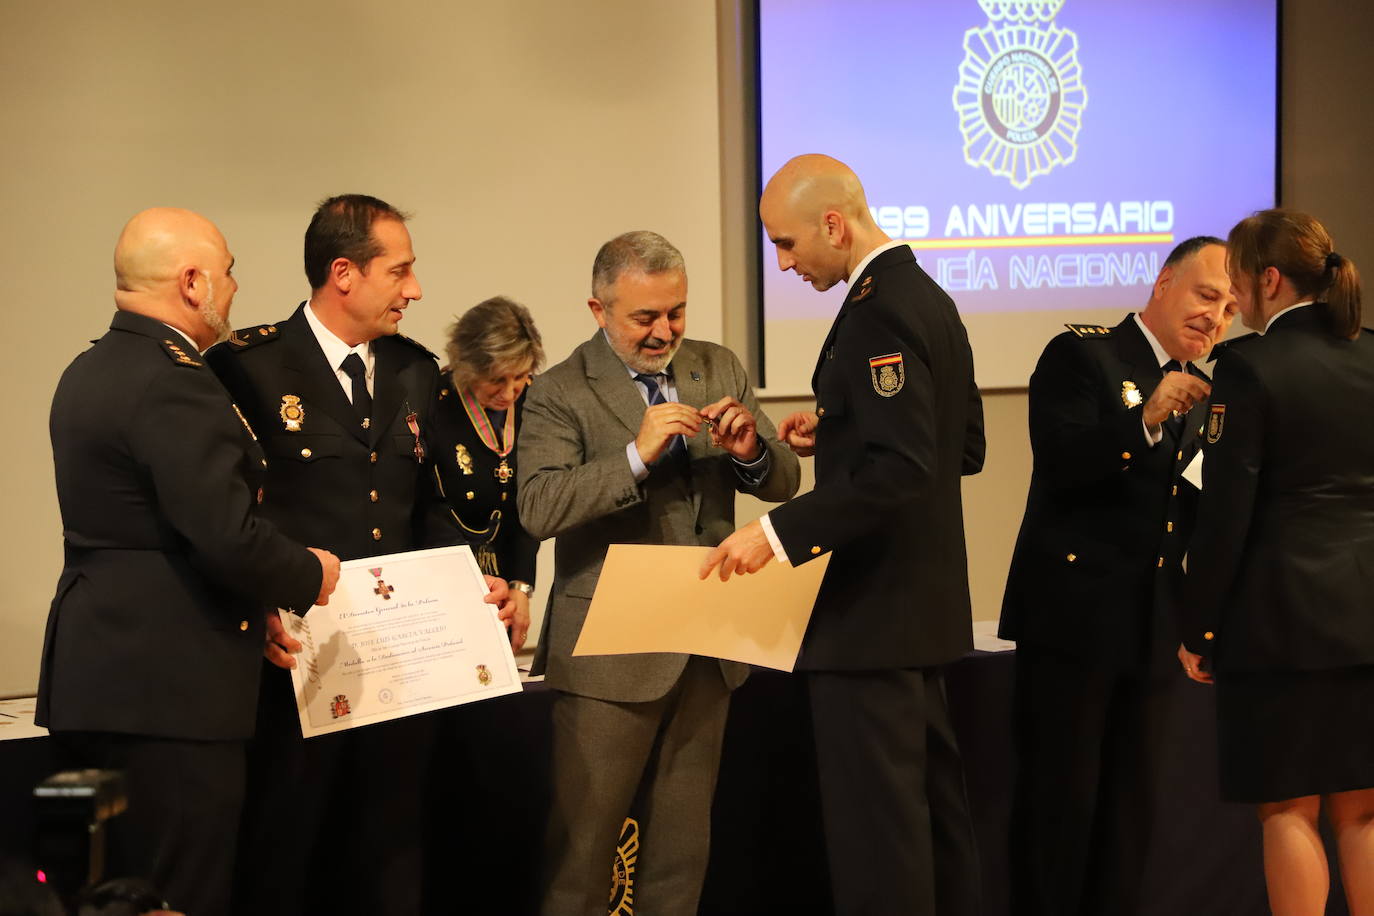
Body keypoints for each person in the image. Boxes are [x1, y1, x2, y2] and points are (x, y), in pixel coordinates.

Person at [207, 194, 510, 916]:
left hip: (401, 665)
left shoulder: (412, 370)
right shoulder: (247, 368)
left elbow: (431, 505)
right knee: (287, 851)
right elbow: (222, 515)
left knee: (393, 850)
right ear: (343, 273)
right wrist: (254, 608)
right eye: (399, 271)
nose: (416, 289)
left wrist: (478, 585)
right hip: (297, 663)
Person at [36, 207, 340, 916]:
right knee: (177, 893)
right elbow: (224, 532)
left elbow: (151, 530)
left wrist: (250, 606)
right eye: (229, 270)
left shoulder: (88, 369)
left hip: (94, 678)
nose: (235, 287)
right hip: (172, 691)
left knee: (99, 894)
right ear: (193, 283)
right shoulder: (175, 378)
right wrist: (308, 573)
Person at [703, 154, 985, 916]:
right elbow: (961, 449)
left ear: (835, 224)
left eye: (786, 244)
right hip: (918, 622)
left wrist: (778, 531)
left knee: (878, 848)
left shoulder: (879, 310)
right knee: (933, 834)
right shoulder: (930, 298)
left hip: (870, 624)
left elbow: (902, 469)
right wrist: (838, 430)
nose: (782, 262)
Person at [517, 230, 800, 916]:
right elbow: (537, 505)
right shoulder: (559, 392)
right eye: (645, 317)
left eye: (676, 312)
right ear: (598, 309)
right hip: (610, 655)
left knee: (680, 858)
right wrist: (635, 458)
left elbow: (784, 483)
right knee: (582, 860)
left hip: (706, 645)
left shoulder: (718, 365)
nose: (664, 330)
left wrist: (749, 452)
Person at [997, 237, 1237, 915]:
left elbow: (1187, 514)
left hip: (1150, 627)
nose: (1214, 317)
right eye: (1204, 294)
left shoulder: (1208, 383)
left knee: (1132, 815)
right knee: (1061, 811)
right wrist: (1147, 418)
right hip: (1072, 625)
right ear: (1163, 283)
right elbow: (1063, 462)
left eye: (1228, 307)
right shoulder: (1081, 355)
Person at [1180, 209, 1374, 916]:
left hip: (1281, 625)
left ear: (1269, 279)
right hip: (1366, 619)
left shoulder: (1250, 367)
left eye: (1237, 283)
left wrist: (1199, 627)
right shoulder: (1371, 355)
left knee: (1287, 810)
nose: (1234, 302)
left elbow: (1226, 514)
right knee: (1363, 810)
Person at [432, 295, 545, 650]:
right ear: (466, 367)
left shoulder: (535, 402)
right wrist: (471, 581)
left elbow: (530, 501)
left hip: (509, 573)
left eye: (521, 377)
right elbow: (423, 507)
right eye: (497, 379)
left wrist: (520, 585)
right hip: (445, 574)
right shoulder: (431, 403)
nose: (510, 392)